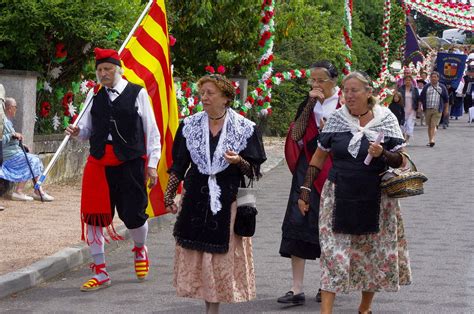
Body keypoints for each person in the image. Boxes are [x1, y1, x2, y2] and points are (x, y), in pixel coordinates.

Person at [298, 71, 411, 314]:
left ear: (369, 92)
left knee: (371, 256)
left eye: (354, 90)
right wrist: (305, 190)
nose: (348, 95)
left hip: (376, 197)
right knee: (332, 254)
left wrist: (383, 153)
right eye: (345, 90)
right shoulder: (337, 119)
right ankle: (326, 312)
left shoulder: (386, 119)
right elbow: (318, 158)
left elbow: (401, 161)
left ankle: (364, 308)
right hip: (338, 194)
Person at [163, 74, 266, 314]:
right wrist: (169, 195)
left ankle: (213, 309)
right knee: (199, 255)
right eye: (202, 93)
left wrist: (238, 160)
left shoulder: (244, 128)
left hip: (227, 198)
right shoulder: (190, 125)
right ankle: (209, 306)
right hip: (196, 198)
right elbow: (179, 165)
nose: (204, 98)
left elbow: (253, 171)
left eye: (210, 93)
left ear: (226, 98)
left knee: (218, 256)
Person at [65, 47, 161, 291]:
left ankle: (140, 248)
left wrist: (152, 165)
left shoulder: (136, 93)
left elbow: (151, 130)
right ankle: (101, 271)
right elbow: (87, 131)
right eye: (99, 70)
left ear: (119, 69)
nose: (103, 73)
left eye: (107, 69)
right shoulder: (93, 95)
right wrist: (77, 133)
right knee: (94, 217)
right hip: (98, 162)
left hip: (129, 162)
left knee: (134, 216)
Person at [278, 60, 340, 306]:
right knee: (298, 223)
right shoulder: (308, 103)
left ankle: (325, 284)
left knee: (329, 229)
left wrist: (333, 133)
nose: (315, 84)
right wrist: (310, 103)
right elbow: (296, 135)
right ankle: (296, 289)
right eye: (312, 80)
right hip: (307, 168)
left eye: (320, 80)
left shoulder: (345, 104)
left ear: (333, 81)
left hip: (334, 170)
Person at [0, 98, 54, 202]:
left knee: (35, 159)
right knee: (32, 160)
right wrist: (12, 135)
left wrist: (22, 144)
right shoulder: (3, 122)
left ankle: (38, 190)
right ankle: (19, 192)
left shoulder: (7, 122)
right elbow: (2, 141)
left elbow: (12, 141)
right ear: (9, 108)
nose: (16, 110)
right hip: (8, 157)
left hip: (14, 153)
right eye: (15, 107)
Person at [419, 71, 449, 147]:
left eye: (435, 77)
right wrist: (419, 107)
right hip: (427, 109)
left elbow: (446, 100)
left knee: (433, 125)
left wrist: (446, 110)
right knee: (429, 125)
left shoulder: (442, 87)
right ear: (430, 78)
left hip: (437, 109)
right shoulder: (426, 87)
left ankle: (432, 140)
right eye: (432, 77)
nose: (433, 78)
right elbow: (421, 97)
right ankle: (430, 140)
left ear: (438, 78)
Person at [398, 76, 420, 144]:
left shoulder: (415, 89)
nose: (408, 81)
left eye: (409, 80)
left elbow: (418, 99)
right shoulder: (401, 89)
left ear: (412, 81)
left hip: (412, 110)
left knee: (409, 125)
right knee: (403, 125)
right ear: (404, 81)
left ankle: (407, 139)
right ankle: (403, 138)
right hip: (403, 109)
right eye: (406, 80)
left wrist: (419, 108)